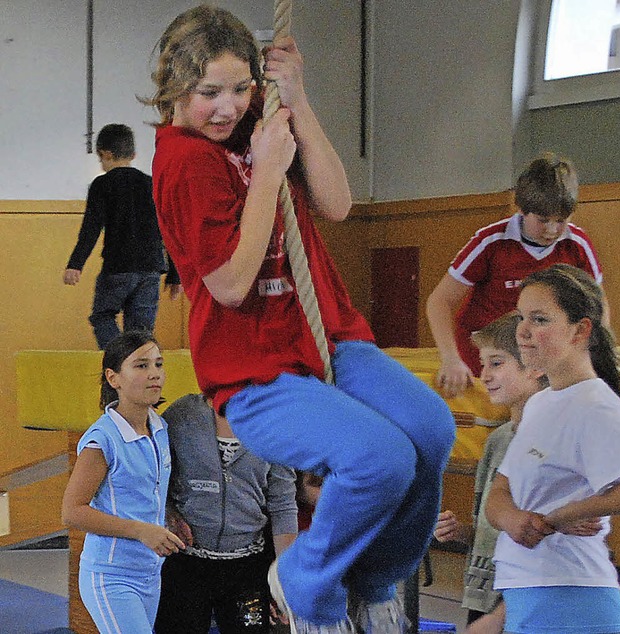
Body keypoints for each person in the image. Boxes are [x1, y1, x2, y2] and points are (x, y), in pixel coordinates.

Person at [148, 6, 455, 633]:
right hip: (254, 372)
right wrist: (264, 171)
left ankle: (373, 582)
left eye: (240, 89)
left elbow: (337, 202)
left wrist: (298, 101)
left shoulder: (261, 121)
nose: (227, 107)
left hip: (329, 337)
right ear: (176, 88)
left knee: (431, 430)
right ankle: (306, 585)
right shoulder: (182, 161)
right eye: (209, 92)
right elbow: (232, 284)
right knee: (379, 459)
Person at [485, 264, 620, 634]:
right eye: (521, 317)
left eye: (539, 319)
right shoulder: (540, 404)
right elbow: (500, 493)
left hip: (572, 597)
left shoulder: (595, 405)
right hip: (526, 591)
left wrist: (560, 517)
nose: (523, 331)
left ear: (580, 330)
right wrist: (513, 520)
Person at [433, 312, 603, 634]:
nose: (484, 376)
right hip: (483, 595)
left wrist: (566, 519)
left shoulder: (565, 437)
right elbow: (489, 528)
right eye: (482, 365)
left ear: (535, 367)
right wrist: (462, 534)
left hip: (536, 593)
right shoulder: (497, 441)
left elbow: (586, 522)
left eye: (496, 363)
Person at [426, 153, 606, 397]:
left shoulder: (577, 245)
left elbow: (598, 306)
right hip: (486, 352)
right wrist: (450, 358)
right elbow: (439, 301)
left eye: (561, 221)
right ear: (521, 209)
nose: (552, 230)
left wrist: (596, 355)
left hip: (538, 352)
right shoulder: (491, 242)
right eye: (543, 220)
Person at [61, 330, 184, 633]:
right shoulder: (103, 440)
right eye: (141, 366)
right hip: (111, 576)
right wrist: (142, 531)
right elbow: (72, 511)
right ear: (113, 377)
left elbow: (148, 490)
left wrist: (169, 517)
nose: (154, 374)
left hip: (149, 573)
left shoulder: (159, 427)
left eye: (158, 364)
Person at [154, 393, 298, 634]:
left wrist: (286, 580)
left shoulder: (274, 422)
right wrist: (169, 514)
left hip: (247, 567)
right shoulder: (183, 415)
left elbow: (283, 504)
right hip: (186, 560)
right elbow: (156, 479)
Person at [63, 123, 181, 349]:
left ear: (105, 154)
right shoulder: (151, 183)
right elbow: (169, 230)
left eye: (101, 160)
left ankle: (120, 360)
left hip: (118, 267)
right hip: (151, 269)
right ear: (133, 154)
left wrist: (75, 264)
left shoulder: (102, 184)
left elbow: (91, 228)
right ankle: (138, 367)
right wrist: (176, 275)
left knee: (102, 316)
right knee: (141, 331)